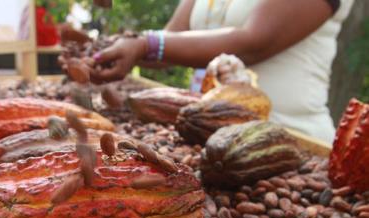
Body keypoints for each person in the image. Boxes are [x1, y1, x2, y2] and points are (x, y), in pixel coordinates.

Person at [89, 0, 355, 143]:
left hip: (289, 138)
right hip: (207, 134)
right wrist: (114, 47)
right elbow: (173, 39)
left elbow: (254, 41)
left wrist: (144, 44)